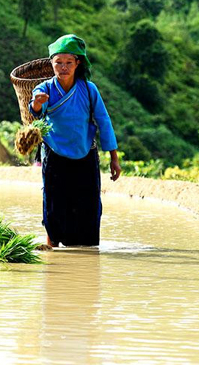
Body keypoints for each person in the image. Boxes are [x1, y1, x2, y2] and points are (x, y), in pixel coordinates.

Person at [30, 34, 120, 248]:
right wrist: (36, 104)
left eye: (68, 62)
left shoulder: (90, 90)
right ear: (51, 63)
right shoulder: (45, 89)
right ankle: (51, 246)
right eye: (58, 62)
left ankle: (88, 251)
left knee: (88, 206)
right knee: (54, 203)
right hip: (55, 154)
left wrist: (114, 158)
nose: (63, 67)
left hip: (85, 155)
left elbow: (104, 122)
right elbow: (35, 109)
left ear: (77, 63)